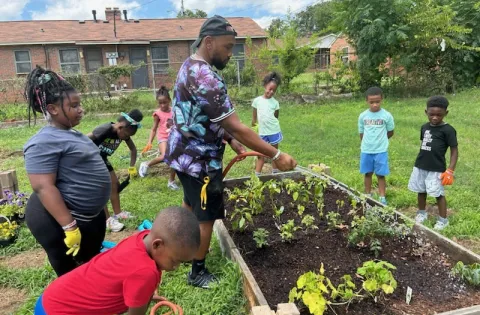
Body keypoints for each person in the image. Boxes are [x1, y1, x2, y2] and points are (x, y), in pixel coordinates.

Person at [165, 15, 297, 289]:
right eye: (227, 47)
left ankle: (181, 250)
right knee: (206, 214)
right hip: (199, 161)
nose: (230, 53)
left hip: (182, 153)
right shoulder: (207, 78)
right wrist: (275, 155)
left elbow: (203, 115)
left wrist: (230, 140)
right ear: (209, 42)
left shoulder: (189, 66)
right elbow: (237, 126)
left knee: (190, 204)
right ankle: (197, 272)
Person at [23, 66, 111, 277]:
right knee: (70, 273)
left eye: (79, 104)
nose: (80, 109)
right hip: (57, 221)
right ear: (53, 109)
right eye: (73, 105)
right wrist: (69, 227)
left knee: (89, 266)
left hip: (87, 216)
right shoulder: (42, 141)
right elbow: (43, 187)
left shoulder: (71, 133)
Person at [33, 207, 200, 315]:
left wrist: (144, 295)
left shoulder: (141, 238)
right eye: (175, 261)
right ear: (157, 244)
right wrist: (141, 299)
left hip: (51, 298)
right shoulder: (145, 272)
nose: (175, 267)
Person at [87, 109, 144, 232]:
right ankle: (107, 220)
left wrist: (132, 167)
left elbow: (133, 150)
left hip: (102, 158)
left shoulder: (124, 132)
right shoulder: (106, 129)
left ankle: (118, 213)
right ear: (120, 127)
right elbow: (84, 139)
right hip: (91, 160)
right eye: (126, 135)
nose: (126, 138)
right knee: (102, 188)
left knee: (114, 184)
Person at [408, 96, 458, 230]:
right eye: (432, 114)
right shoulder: (424, 127)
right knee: (421, 190)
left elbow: (454, 151)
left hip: (436, 168)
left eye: (439, 115)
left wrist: (450, 170)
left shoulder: (448, 130)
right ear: (426, 112)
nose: (435, 117)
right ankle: (421, 213)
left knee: (438, 194)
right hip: (420, 165)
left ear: (445, 113)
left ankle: (443, 220)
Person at [358, 87, 394, 205]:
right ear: (367, 101)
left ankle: (382, 197)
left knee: (380, 174)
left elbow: (390, 132)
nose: (374, 105)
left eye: (377, 102)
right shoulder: (363, 116)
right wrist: (368, 144)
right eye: (371, 102)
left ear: (382, 100)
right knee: (367, 173)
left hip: (381, 151)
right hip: (366, 150)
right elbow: (361, 133)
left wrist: (381, 142)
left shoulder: (386, 115)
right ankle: (368, 194)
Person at [139, 86, 179, 190]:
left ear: (169, 100)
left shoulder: (174, 111)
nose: (162, 105)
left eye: (164, 102)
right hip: (163, 137)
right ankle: (146, 164)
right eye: (160, 103)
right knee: (165, 156)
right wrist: (149, 142)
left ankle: (171, 181)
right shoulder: (158, 113)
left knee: (174, 158)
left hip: (174, 137)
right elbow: (153, 129)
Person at [252, 72, 283, 176]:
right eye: (270, 88)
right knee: (260, 155)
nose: (271, 92)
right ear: (265, 85)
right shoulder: (257, 101)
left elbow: (276, 116)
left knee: (274, 153)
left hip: (273, 131)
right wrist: (254, 121)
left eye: (274, 90)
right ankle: (257, 175)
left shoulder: (275, 103)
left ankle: (275, 173)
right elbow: (254, 113)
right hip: (262, 133)